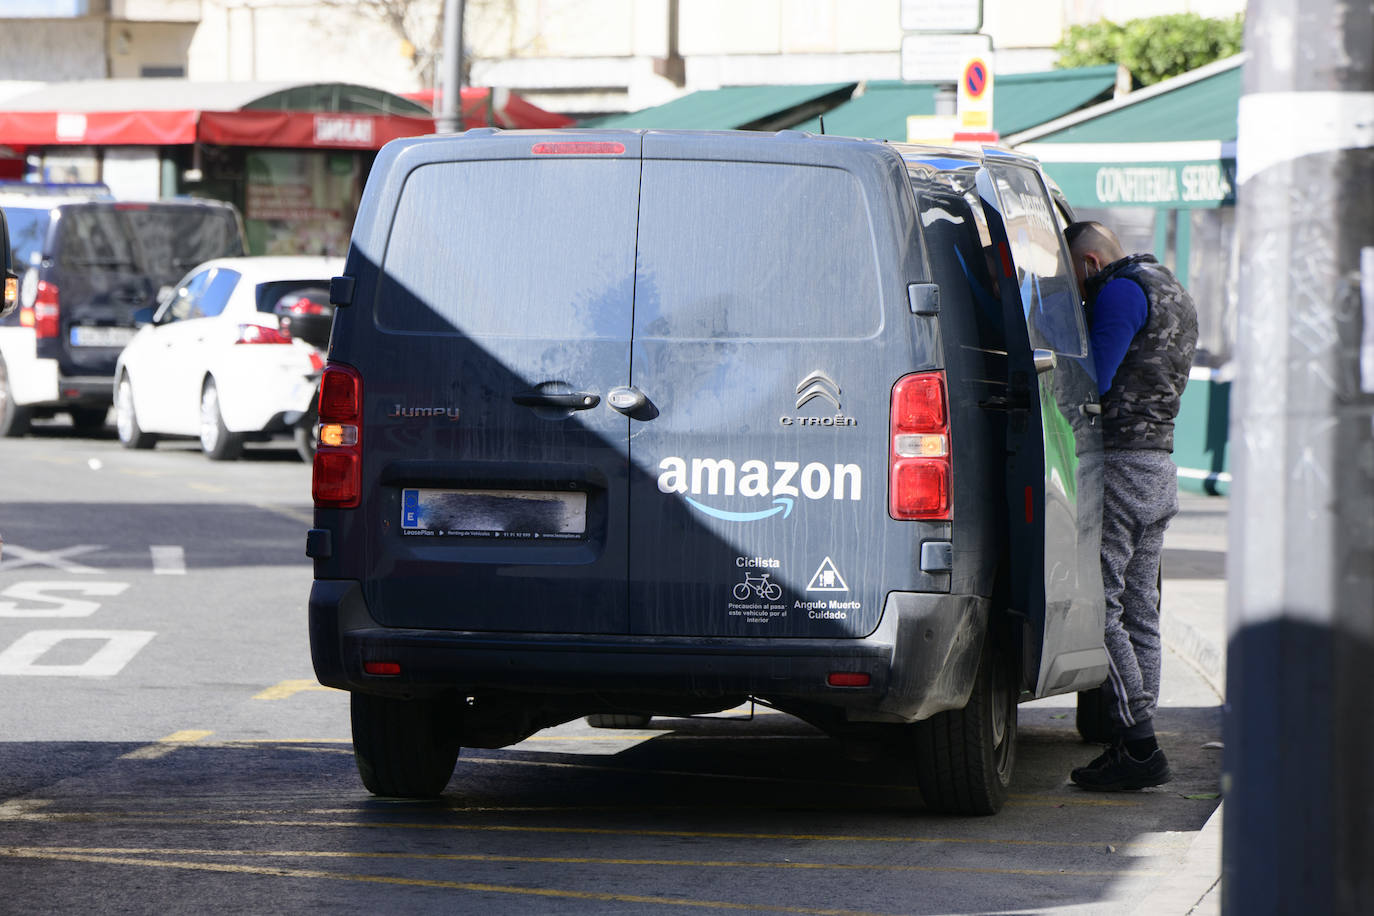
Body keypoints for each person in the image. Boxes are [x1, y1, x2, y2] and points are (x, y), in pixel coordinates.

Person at [1064, 220, 1198, 791]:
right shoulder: (1171, 288)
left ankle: (1139, 742)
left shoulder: (1119, 291)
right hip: (1158, 465)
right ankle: (1134, 744)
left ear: (1090, 264)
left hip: (1120, 465)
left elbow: (1093, 378)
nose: (1080, 296)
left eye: (1077, 284)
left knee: (1102, 605)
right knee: (1140, 608)